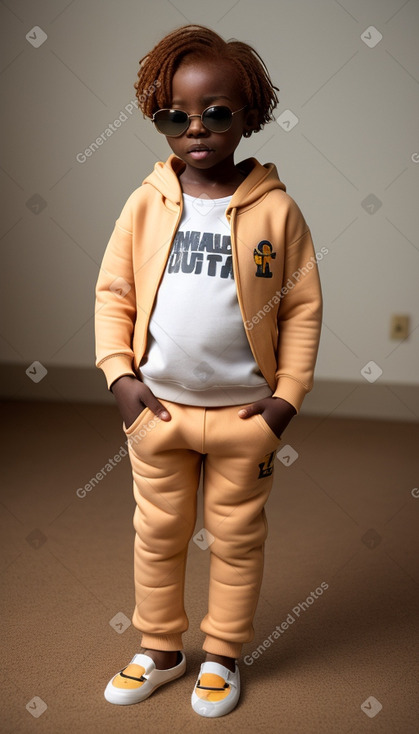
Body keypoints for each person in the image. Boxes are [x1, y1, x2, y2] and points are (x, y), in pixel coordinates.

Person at [95, 23, 323, 718]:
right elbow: (114, 294)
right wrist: (120, 379)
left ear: (249, 116)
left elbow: (303, 309)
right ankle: (160, 649)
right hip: (156, 412)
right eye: (176, 116)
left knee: (236, 538)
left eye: (217, 113)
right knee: (155, 534)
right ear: (158, 118)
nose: (196, 129)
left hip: (245, 418)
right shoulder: (145, 203)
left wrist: (285, 402)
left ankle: (222, 654)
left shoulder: (276, 212)